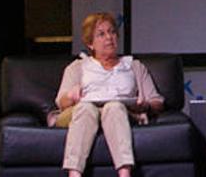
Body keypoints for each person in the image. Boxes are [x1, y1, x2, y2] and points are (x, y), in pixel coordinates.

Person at [53, 12, 164, 177]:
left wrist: (145, 105)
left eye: (112, 32)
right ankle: (74, 174)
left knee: (114, 107)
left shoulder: (134, 66)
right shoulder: (77, 67)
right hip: (82, 111)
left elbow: (157, 102)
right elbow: (61, 103)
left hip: (120, 112)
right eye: (101, 34)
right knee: (86, 109)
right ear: (90, 44)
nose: (109, 38)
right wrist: (71, 95)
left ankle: (125, 174)